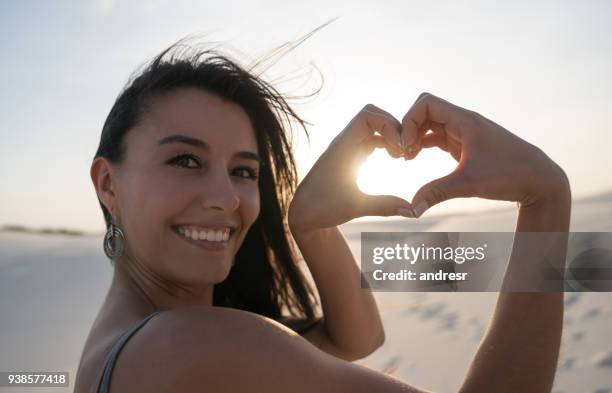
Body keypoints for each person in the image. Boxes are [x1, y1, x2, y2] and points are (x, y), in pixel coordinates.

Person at [75, 39, 571, 393]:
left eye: (244, 171)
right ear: (107, 184)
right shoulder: (184, 344)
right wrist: (546, 199)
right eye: (186, 160)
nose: (226, 197)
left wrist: (308, 224)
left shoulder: (136, 344)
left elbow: (356, 338)